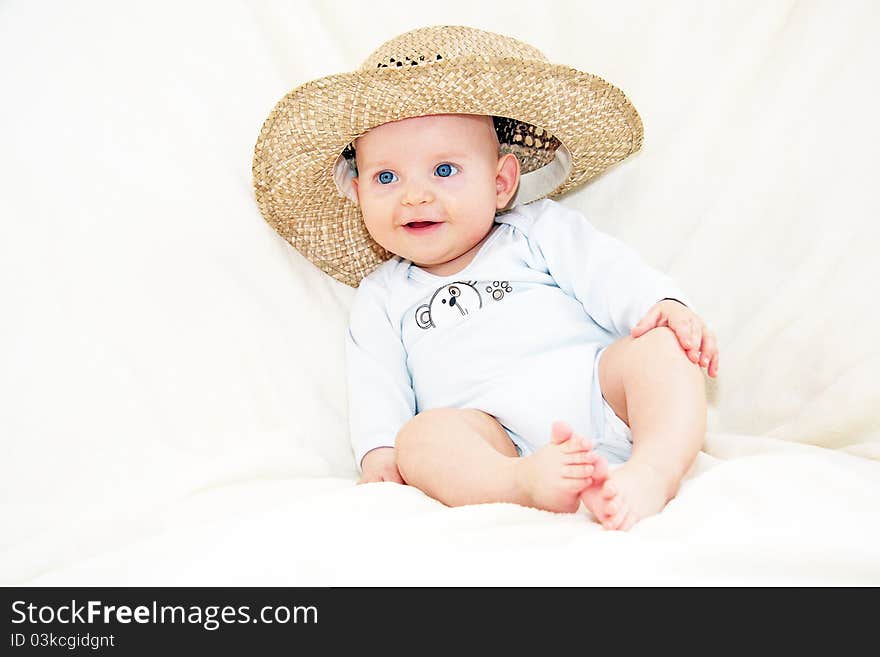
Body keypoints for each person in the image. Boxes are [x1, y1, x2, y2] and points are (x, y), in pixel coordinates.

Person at [252, 26, 719, 531]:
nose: (414, 196)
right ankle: (524, 484)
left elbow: (607, 270)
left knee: (662, 348)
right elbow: (375, 382)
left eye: (445, 170)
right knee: (420, 440)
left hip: (598, 392)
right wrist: (380, 452)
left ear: (501, 182)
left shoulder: (536, 230)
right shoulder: (383, 295)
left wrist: (661, 303)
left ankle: (651, 473)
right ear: (359, 192)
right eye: (387, 178)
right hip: (491, 437)